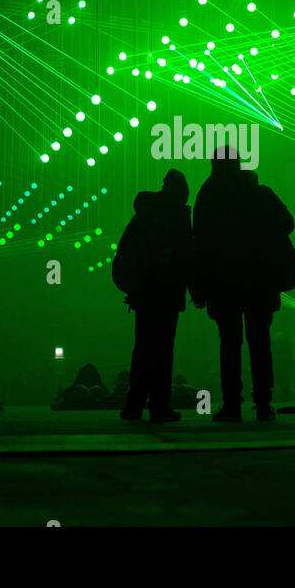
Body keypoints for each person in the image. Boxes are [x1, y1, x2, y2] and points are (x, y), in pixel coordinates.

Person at [193, 147, 295, 422]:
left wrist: (199, 288)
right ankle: (263, 402)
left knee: (229, 343)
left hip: (223, 283)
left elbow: (200, 246)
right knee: (260, 342)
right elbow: (287, 223)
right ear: (239, 164)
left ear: (214, 166)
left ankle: (232, 404)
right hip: (260, 281)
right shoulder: (260, 193)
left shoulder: (207, 198)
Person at [112, 169, 195, 422]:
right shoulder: (178, 218)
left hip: (145, 294)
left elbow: (127, 254)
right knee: (162, 351)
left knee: (143, 349)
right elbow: (188, 257)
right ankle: (159, 406)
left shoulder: (144, 215)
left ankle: (134, 405)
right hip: (167, 293)